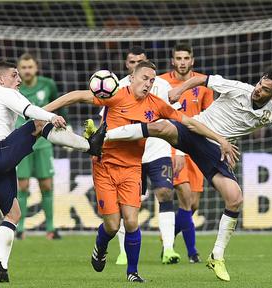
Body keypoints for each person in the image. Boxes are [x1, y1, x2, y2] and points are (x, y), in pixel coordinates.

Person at [43, 61, 236, 282]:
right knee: (112, 225)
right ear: (132, 77)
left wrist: (220, 139)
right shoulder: (114, 94)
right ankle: (101, 246)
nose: (148, 83)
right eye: (144, 78)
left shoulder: (156, 104)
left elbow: (189, 123)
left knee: (132, 221)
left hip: (132, 168)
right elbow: (75, 95)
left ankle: (132, 272)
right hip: (105, 166)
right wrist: (43, 112)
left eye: (152, 80)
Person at [98, 63, 272, 281]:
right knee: (162, 127)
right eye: (260, 83)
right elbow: (203, 79)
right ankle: (105, 136)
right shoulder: (238, 88)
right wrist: (179, 90)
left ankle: (216, 255)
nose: (258, 90)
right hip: (195, 130)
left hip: (216, 150)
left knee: (235, 198)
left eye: (266, 90)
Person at [0, 61, 97, 283]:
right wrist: (50, 117)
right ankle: (91, 146)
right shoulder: (4, 93)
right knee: (39, 123)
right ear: (2, 80)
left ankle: (1, 268)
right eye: (14, 75)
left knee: (13, 214)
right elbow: (29, 111)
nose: (19, 80)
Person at [100, 46, 183, 265]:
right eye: (132, 62)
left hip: (158, 149)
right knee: (124, 210)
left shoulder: (162, 85)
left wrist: (180, 151)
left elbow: (176, 118)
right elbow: (105, 118)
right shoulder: (116, 88)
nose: (136, 64)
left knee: (165, 193)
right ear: (128, 67)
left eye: (141, 61)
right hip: (127, 155)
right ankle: (123, 252)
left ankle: (168, 248)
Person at [160, 43, 214, 263]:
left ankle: (168, 242)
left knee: (193, 205)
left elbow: (210, 116)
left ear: (192, 60)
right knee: (183, 195)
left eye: (186, 58)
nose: (182, 62)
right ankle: (192, 253)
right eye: (178, 58)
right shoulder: (162, 83)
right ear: (173, 60)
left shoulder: (203, 84)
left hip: (196, 148)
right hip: (172, 145)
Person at [15, 53, 67, 240]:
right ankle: (19, 229)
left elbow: (61, 105)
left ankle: (50, 228)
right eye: (24, 67)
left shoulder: (48, 84)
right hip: (21, 141)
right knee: (23, 185)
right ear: (18, 70)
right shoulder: (14, 88)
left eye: (30, 67)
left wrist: (63, 125)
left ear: (36, 68)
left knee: (46, 184)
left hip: (43, 142)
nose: (27, 71)